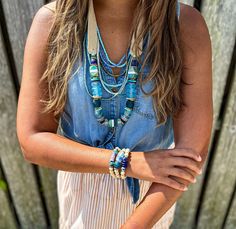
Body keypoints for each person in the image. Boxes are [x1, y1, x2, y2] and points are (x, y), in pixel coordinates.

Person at [16, 0, 213, 228]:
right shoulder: (52, 21)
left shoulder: (185, 24)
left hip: (152, 199)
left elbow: (190, 155)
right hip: (80, 198)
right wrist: (127, 163)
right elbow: (32, 140)